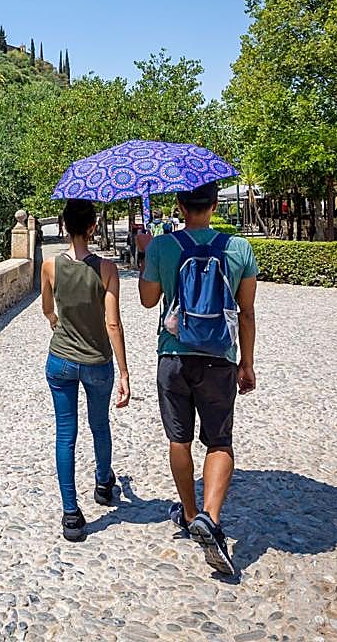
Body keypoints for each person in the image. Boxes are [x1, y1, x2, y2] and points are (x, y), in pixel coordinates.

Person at [139, 181, 257, 577]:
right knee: (219, 441)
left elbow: (148, 300)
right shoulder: (238, 248)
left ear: (179, 205)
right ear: (215, 204)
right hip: (219, 359)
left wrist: (147, 252)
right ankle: (211, 517)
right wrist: (246, 363)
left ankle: (190, 514)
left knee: (180, 439)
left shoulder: (163, 246)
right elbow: (246, 312)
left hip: (173, 356)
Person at [40, 199, 131, 542]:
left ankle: (71, 514)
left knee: (65, 434)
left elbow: (47, 310)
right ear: (93, 227)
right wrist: (124, 372)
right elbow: (113, 323)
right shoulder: (106, 269)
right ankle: (104, 484)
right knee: (99, 424)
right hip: (97, 363)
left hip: (60, 361)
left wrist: (56, 323)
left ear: (64, 226)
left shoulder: (50, 266)